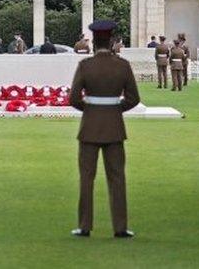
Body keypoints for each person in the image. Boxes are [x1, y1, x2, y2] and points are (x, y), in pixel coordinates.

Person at [68, 20, 140, 239]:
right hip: (114, 127)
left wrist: (90, 109)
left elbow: (73, 98)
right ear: (110, 41)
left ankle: (84, 226)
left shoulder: (85, 66)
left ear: (94, 42)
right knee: (117, 178)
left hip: (89, 127)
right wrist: (115, 109)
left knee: (86, 179)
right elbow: (133, 98)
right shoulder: (122, 65)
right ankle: (120, 227)